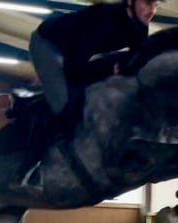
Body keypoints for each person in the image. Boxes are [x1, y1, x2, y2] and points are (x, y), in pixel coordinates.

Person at [29, 0, 162, 130]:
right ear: (130, 1)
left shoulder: (141, 27)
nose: (152, 11)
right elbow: (74, 70)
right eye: (148, 3)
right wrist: (108, 68)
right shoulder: (104, 17)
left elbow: (137, 65)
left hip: (75, 55)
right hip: (48, 45)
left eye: (156, 5)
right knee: (67, 108)